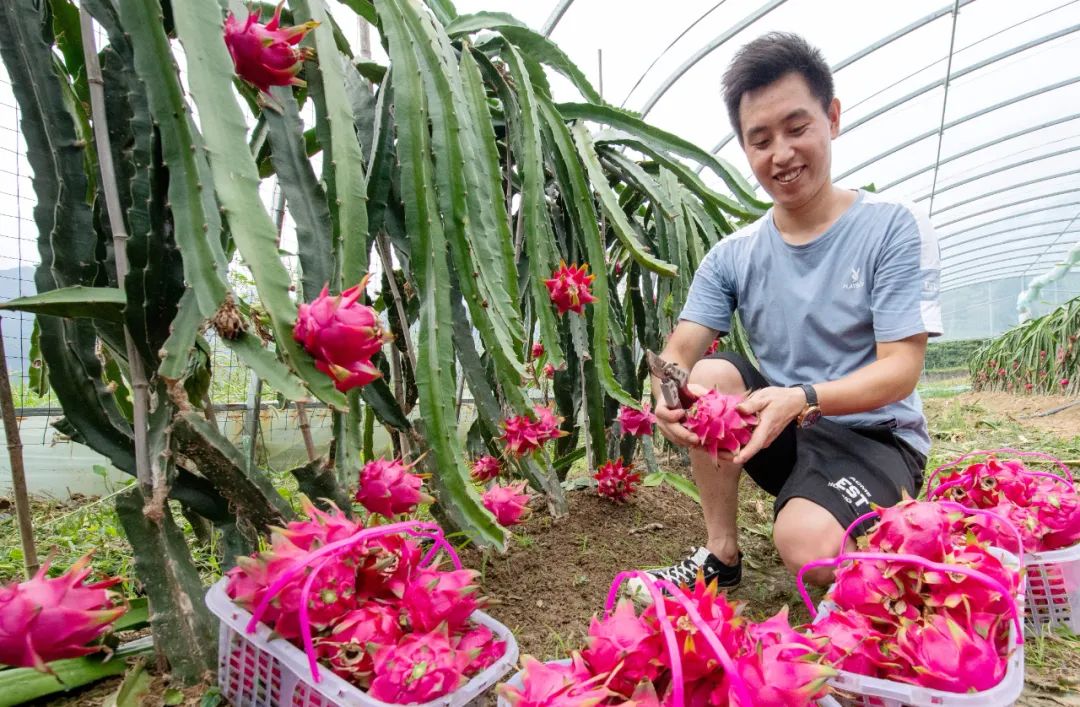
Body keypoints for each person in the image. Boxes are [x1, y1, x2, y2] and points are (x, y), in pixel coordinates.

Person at [638, 32, 943, 592]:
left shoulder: (892, 226)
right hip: (783, 433)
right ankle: (719, 554)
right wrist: (667, 390)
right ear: (745, 148)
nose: (781, 154)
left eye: (797, 128)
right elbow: (679, 351)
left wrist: (803, 398)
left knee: (805, 548)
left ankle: (878, 533)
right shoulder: (733, 255)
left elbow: (901, 368)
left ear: (832, 117)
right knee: (707, 375)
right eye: (760, 139)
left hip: (875, 437)